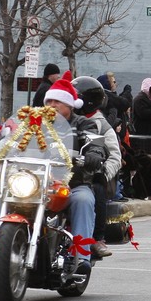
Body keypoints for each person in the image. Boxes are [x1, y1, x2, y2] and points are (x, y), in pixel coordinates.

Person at [41, 73, 104, 278]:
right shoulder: (34, 122)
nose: (52, 105)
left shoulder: (83, 124)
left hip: (72, 183)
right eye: (49, 101)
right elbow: (14, 136)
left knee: (84, 200)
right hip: (37, 183)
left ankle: (81, 257)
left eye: (57, 101)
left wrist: (94, 152)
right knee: (0, 191)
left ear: (69, 104)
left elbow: (94, 143)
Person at [74, 75, 118, 259]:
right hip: (63, 172)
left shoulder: (102, 125)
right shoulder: (64, 118)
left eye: (76, 96)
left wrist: (102, 172)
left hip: (90, 173)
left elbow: (115, 155)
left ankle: (97, 238)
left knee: (97, 189)